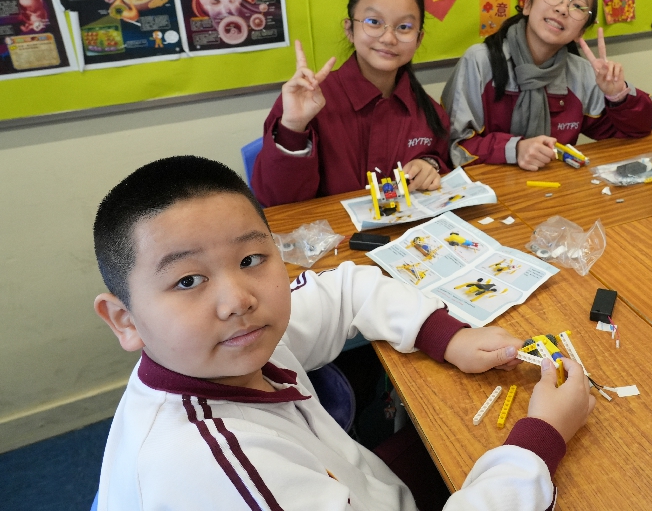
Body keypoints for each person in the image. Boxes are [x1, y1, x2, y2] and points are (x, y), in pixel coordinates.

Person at [91, 156, 595, 511]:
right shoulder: (208, 471)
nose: (237, 300)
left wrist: (448, 337)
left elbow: (348, 287)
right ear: (125, 320)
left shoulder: (229, 348)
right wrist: (540, 439)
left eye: (250, 259)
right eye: (187, 281)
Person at [253, 0, 451, 207]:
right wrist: (293, 128)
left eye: (404, 27)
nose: (389, 38)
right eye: (374, 22)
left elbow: (439, 161)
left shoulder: (429, 112)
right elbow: (275, 203)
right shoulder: (308, 100)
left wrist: (429, 165)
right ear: (349, 29)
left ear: (418, 39)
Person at [442, 0, 652, 170]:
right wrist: (514, 149)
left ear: (581, 32)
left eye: (578, 6)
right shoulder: (480, 62)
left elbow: (635, 133)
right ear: (527, 5)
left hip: (553, 186)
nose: (562, 9)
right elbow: (453, 147)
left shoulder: (582, 73)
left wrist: (618, 97)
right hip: (488, 188)